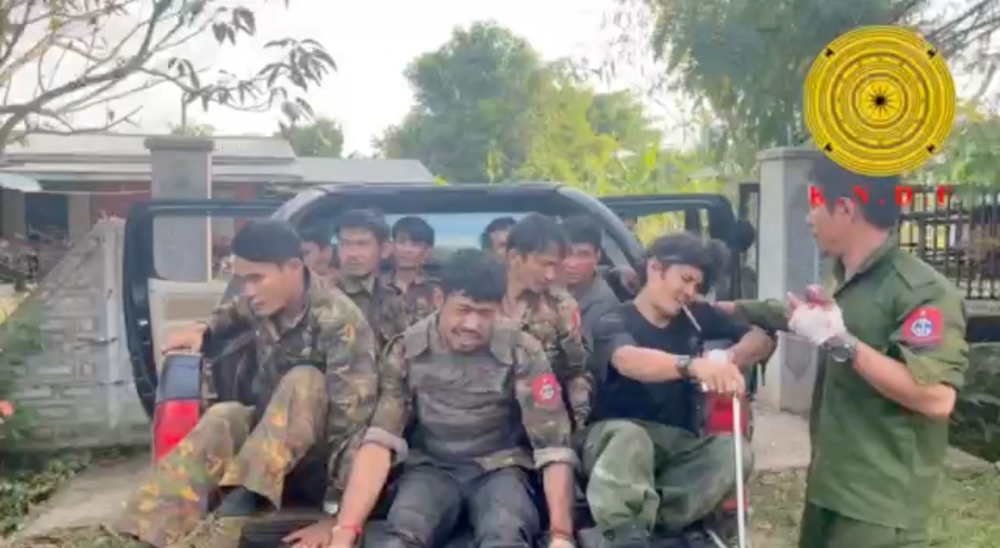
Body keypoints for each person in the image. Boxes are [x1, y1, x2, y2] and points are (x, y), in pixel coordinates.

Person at [716, 157, 969, 548]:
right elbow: (807, 317)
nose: (808, 218)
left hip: (878, 506)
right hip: (830, 488)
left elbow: (936, 398)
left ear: (847, 208)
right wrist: (730, 310)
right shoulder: (849, 278)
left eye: (816, 204)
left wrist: (842, 342)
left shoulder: (920, 291)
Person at [113, 219, 395, 548]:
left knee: (304, 380)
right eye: (242, 280)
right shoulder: (262, 303)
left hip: (319, 470)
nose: (248, 290)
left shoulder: (339, 321)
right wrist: (201, 330)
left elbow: (352, 427)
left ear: (293, 267)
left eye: (256, 278)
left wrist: (337, 515)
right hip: (267, 456)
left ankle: (235, 512)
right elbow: (230, 314)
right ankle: (143, 532)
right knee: (226, 414)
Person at [284, 249, 578, 548]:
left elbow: (553, 446)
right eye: (463, 310)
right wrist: (346, 530)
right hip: (432, 468)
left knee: (505, 530)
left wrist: (561, 535)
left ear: (500, 308)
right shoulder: (407, 349)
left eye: (485, 313)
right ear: (439, 300)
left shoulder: (523, 351)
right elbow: (380, 441)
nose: (472, 324)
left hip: (500, 468)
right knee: (403, 531)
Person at [584, 232, 774, 548]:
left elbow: (761, 336)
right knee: (630, 438)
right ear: (656, 269)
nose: (689, 292)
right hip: (612, 441)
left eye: (696, 286)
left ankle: (664, 525)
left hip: (677, 444)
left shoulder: (696, 317)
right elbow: (628, 360)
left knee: (733, 451)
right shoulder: (611, 317)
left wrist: (730, 359)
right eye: (685, 279)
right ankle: (624, 532)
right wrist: (692, 365)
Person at [503, 213, 593, 433]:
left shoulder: (561, 306)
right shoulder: (481, 303)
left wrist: (578, 425)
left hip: (545, 422)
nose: (551, 275)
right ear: (515, 257)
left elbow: (576, 372)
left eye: (556, 266)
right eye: (544, 264)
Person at [335, 209, 408, 350]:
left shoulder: (392, 299)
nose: (352, 254)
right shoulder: (319, 295)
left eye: (362, 244)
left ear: (385, 249)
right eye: (345, 243)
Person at [561, 215, 620, 348]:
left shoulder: (604, 306)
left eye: (583, 255)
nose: (572, 263)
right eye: (566, 253)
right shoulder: (547, 285)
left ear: (597, 257)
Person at [386, 215, 442, 325]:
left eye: (415, 244)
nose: (407, 250)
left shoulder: (436, 289)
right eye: (401, 242)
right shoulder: (376, 286)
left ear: (427, 252)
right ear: (392, 246)